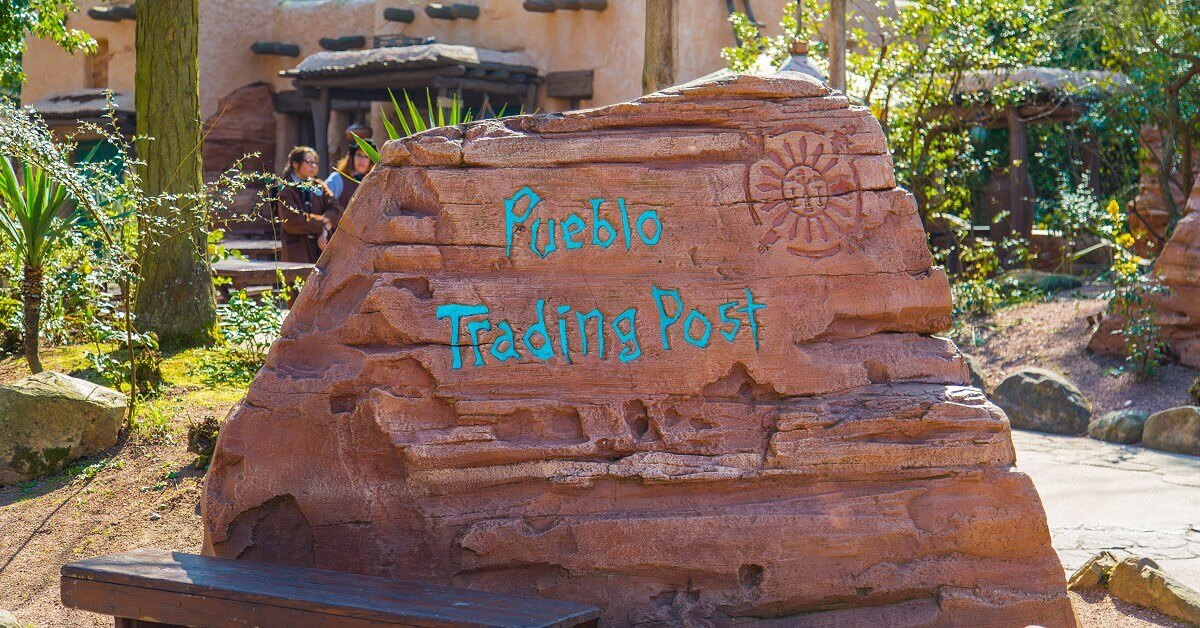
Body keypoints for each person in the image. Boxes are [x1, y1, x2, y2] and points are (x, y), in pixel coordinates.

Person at [275, 146, 342, 263]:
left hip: (320, 250)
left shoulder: (319, 185)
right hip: (297, 253)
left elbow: (336, 208)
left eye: (315, 162)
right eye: (308, 162)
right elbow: (292, 221)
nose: (313, 165)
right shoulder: (285, 190)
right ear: (295, 164)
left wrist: (325, 230)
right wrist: (323, 222)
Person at [325, 138, 376, 208]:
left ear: (371, 162)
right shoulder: (337, 179)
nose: (362, 160)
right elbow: (325, 205)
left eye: (366, 156)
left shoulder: (375, 184)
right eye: (359, 155)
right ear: (352, 157)